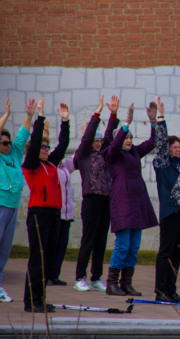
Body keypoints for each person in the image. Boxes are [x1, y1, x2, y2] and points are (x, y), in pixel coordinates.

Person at [0, 97, 36, 303]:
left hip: (11, 209)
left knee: (2, 251)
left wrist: (29, 115)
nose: (9, 145)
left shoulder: (14, 154)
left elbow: (23, 134)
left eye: (9, 142)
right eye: (4, 142)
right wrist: (6, 115)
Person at [104, 101, 158, 296]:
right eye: (126, 137)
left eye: (131, 137)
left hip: (137, 203)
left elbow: (152, 143)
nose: (128, 140)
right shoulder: (112, 155)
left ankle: (126, 282)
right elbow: (115, 144)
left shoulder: (135, 151)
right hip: (122, 204)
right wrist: (126, 122)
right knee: (123, 245)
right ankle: (112, 283)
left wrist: (153, 122)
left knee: (134, 247)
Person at [22, 100, 70, 313]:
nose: (46, 149)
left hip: (54, 214)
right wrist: (40, 116)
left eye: (47, 146)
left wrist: (65, 121)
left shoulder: (50, 164)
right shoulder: (31, 165)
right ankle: (31, 302)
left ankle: (40, 299)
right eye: (42, 146)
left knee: (48, 261)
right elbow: (35, 140)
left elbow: (64, 144)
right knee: (38, 259)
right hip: (39, 214)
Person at [72, 95, 120, 292]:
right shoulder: (83, 154)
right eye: (96, 141)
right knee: (89, 239)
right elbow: (88, 136)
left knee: (101, 241)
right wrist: (97, 113)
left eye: (101, 141)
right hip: (91, 199)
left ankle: (96, 277)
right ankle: (79, 277)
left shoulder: (104, 153)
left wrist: (114, 114)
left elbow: (109, 136)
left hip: (105, 200)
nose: (99, 143)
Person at [153, 98, 180, 303]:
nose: (178, 148)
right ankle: (160, 289)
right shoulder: (163, 164)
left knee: (177, 254)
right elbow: (160, 142)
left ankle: (171, 289)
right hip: (171, 212)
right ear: (168, 150)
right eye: (175, 146)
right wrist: (161, 118)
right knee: (166, 252)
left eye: (179, 146)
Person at [42, 120, 76, 287]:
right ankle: (46, 275)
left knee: (61, 247)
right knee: (51, 247)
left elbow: (78, 153)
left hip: (67, 214)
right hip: (55, 213)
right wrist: (45, 133)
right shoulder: (51, 165)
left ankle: (55, 275)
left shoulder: (65, 167)